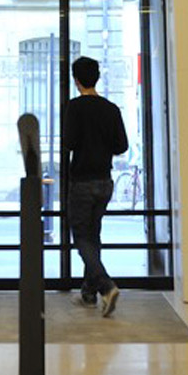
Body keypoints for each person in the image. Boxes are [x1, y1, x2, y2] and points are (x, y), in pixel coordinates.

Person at [62, 55, 128, 316]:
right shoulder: (111, 109)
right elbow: (121, 146)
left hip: (82, 182)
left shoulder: (74, 108)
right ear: (97, 78)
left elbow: (69, 142)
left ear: (76, 81)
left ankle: (106, 286)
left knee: (81, 237)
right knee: (93, 235)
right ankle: (88, 293)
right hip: (105, 182)